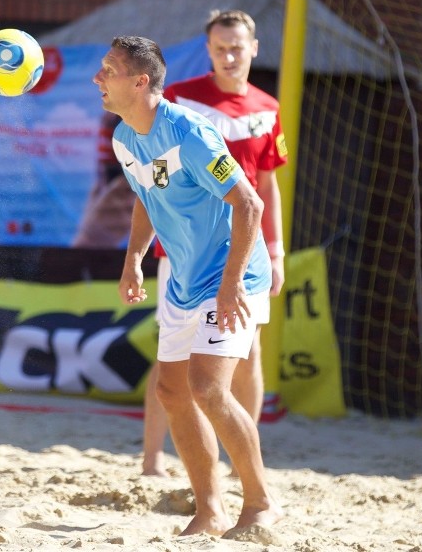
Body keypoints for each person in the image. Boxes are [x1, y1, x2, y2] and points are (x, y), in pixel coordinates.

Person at [93, 35, 283, 535]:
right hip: (184, 276)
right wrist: (133, 258)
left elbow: (251, 204)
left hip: (232, 274)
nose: (98, 78)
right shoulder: (123, 138)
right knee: (173, 393)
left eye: (107, 69)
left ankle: (260, 505)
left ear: (140, 81)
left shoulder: (190, 133)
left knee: (208, 388)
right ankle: (211, 510)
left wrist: (232, 284)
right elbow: (143, 196)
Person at [143, 9, 288, 477]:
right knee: (173, 355)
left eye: (237, 47)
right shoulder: (180, 102)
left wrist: (278, 250)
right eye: (220, 47)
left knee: (247, 355)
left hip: (245, 255)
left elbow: (266, 187)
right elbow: (155, 181)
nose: (229, 55)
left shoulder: (267, 108)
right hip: (185, 249)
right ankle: (151, 460)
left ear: (254, 49)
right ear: (208, 50)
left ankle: (241, 464)